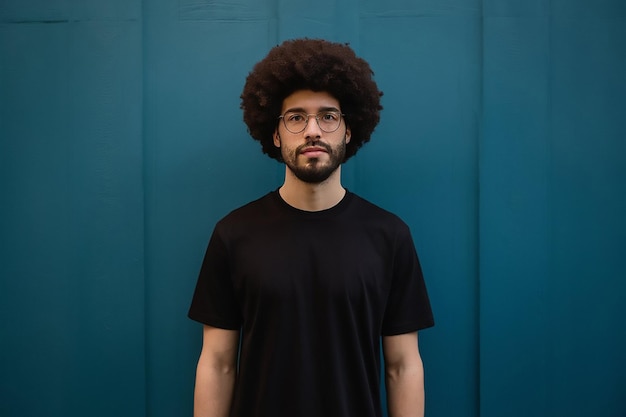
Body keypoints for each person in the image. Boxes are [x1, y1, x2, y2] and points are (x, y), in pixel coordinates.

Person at [188, 38, 434, 417]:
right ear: (275, 133)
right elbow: (217, 364)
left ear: (348, 130)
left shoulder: (390, 236)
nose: (312, 130)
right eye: (296, 117)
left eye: (328, 116)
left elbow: (402, 367)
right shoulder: (233, 234)